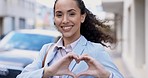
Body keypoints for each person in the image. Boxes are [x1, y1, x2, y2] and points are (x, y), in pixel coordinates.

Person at [17, 0, 124, 78]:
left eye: (71, 14)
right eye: (59, 15)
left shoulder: (95, 50)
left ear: (82, 17)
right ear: (54, 18)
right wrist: (48, 72)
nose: (65, 20)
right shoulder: (47, 50)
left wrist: (106, 76)